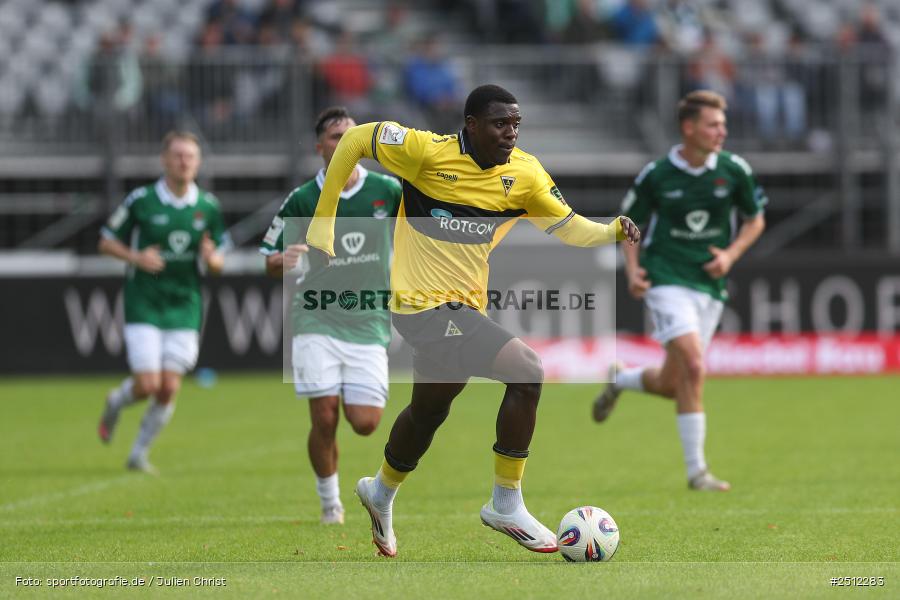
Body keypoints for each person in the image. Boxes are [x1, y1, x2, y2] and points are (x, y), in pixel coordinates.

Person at [304, 84, 641, 557]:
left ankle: (379, 491)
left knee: (428, 413)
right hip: (419, 306)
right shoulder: (424, 152)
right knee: (527, 371)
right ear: (472, 125)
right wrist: (325, 219)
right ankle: (506, 502)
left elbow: (566, 225)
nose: (511, 133)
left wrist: (610, 231)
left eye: (517, 123)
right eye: (501, 123)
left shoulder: (524, 174)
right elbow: (356, 138)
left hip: (464, 308)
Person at [591, 90, 766, 491]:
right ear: (689, 128)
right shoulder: (657, 175)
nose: (722, 131)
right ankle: (697, 472)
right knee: (694, 365)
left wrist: (731, 255)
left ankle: (621, 381)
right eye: (713, 124)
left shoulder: (734, 169)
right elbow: (627, 225)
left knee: (676, 383)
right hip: (665, 276)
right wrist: (633, 272)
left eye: (723, 124)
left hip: (709, 283)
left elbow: (755, 219)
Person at [259, 107, 402, 525]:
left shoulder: (387, 190)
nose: (346, 144)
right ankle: (330, 504)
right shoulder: (303, 199)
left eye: (353, 137)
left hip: (369, 317)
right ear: (320, 146)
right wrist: (280, 259)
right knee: (324, 416)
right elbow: (267, 257)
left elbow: (418, 233)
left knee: (365, 423)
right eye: (337, 137)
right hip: (315, 316)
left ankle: (343, 394)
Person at [97, 131, 229, 474]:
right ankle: (116, 401)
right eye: (178, 155)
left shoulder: (208, 206)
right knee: (147, 385)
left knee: (169, 386)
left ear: (198, 163)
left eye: (190, 156)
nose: (184, 161)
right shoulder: (141, 200)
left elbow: (218, 260)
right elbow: (106, 241)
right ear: (164, 160)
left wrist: (211, 258)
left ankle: (138, 453)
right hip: (145, 300)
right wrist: (135, 257)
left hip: (184, 303)